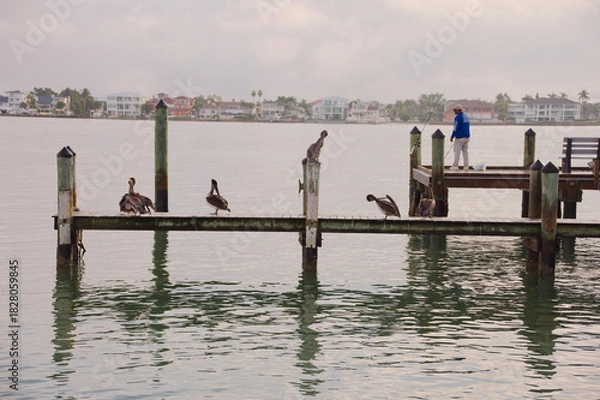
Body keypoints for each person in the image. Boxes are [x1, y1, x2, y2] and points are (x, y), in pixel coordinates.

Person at [449, 104, 470, 170]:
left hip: (460, 137)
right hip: (467, 137)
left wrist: (452, 136)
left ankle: (455, 166)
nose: (454, 111)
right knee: (465, 152)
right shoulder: (466, 116)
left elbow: (455, 128)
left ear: (458, 110)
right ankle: (466, 166)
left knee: (457, 151)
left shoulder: (458, 117)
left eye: (454, 110)